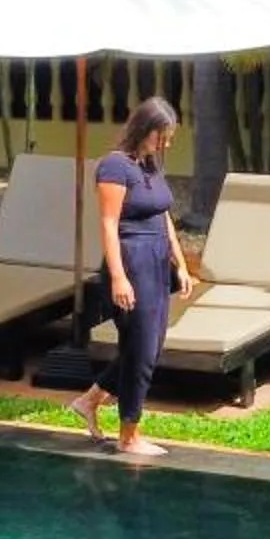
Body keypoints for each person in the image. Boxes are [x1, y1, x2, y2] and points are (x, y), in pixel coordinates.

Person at [67, 98, 197, 456]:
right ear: (144, 128)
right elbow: (109, 225)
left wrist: (181, 263)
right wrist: (119, 277)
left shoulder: (150, 164)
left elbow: (163, 215)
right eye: (163, 136)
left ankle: (90, 401)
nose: (166, 144)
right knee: (139, 350)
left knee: (149, 348)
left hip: (156, 261)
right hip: (131, 260)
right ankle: (129, 436)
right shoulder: (114, 166)